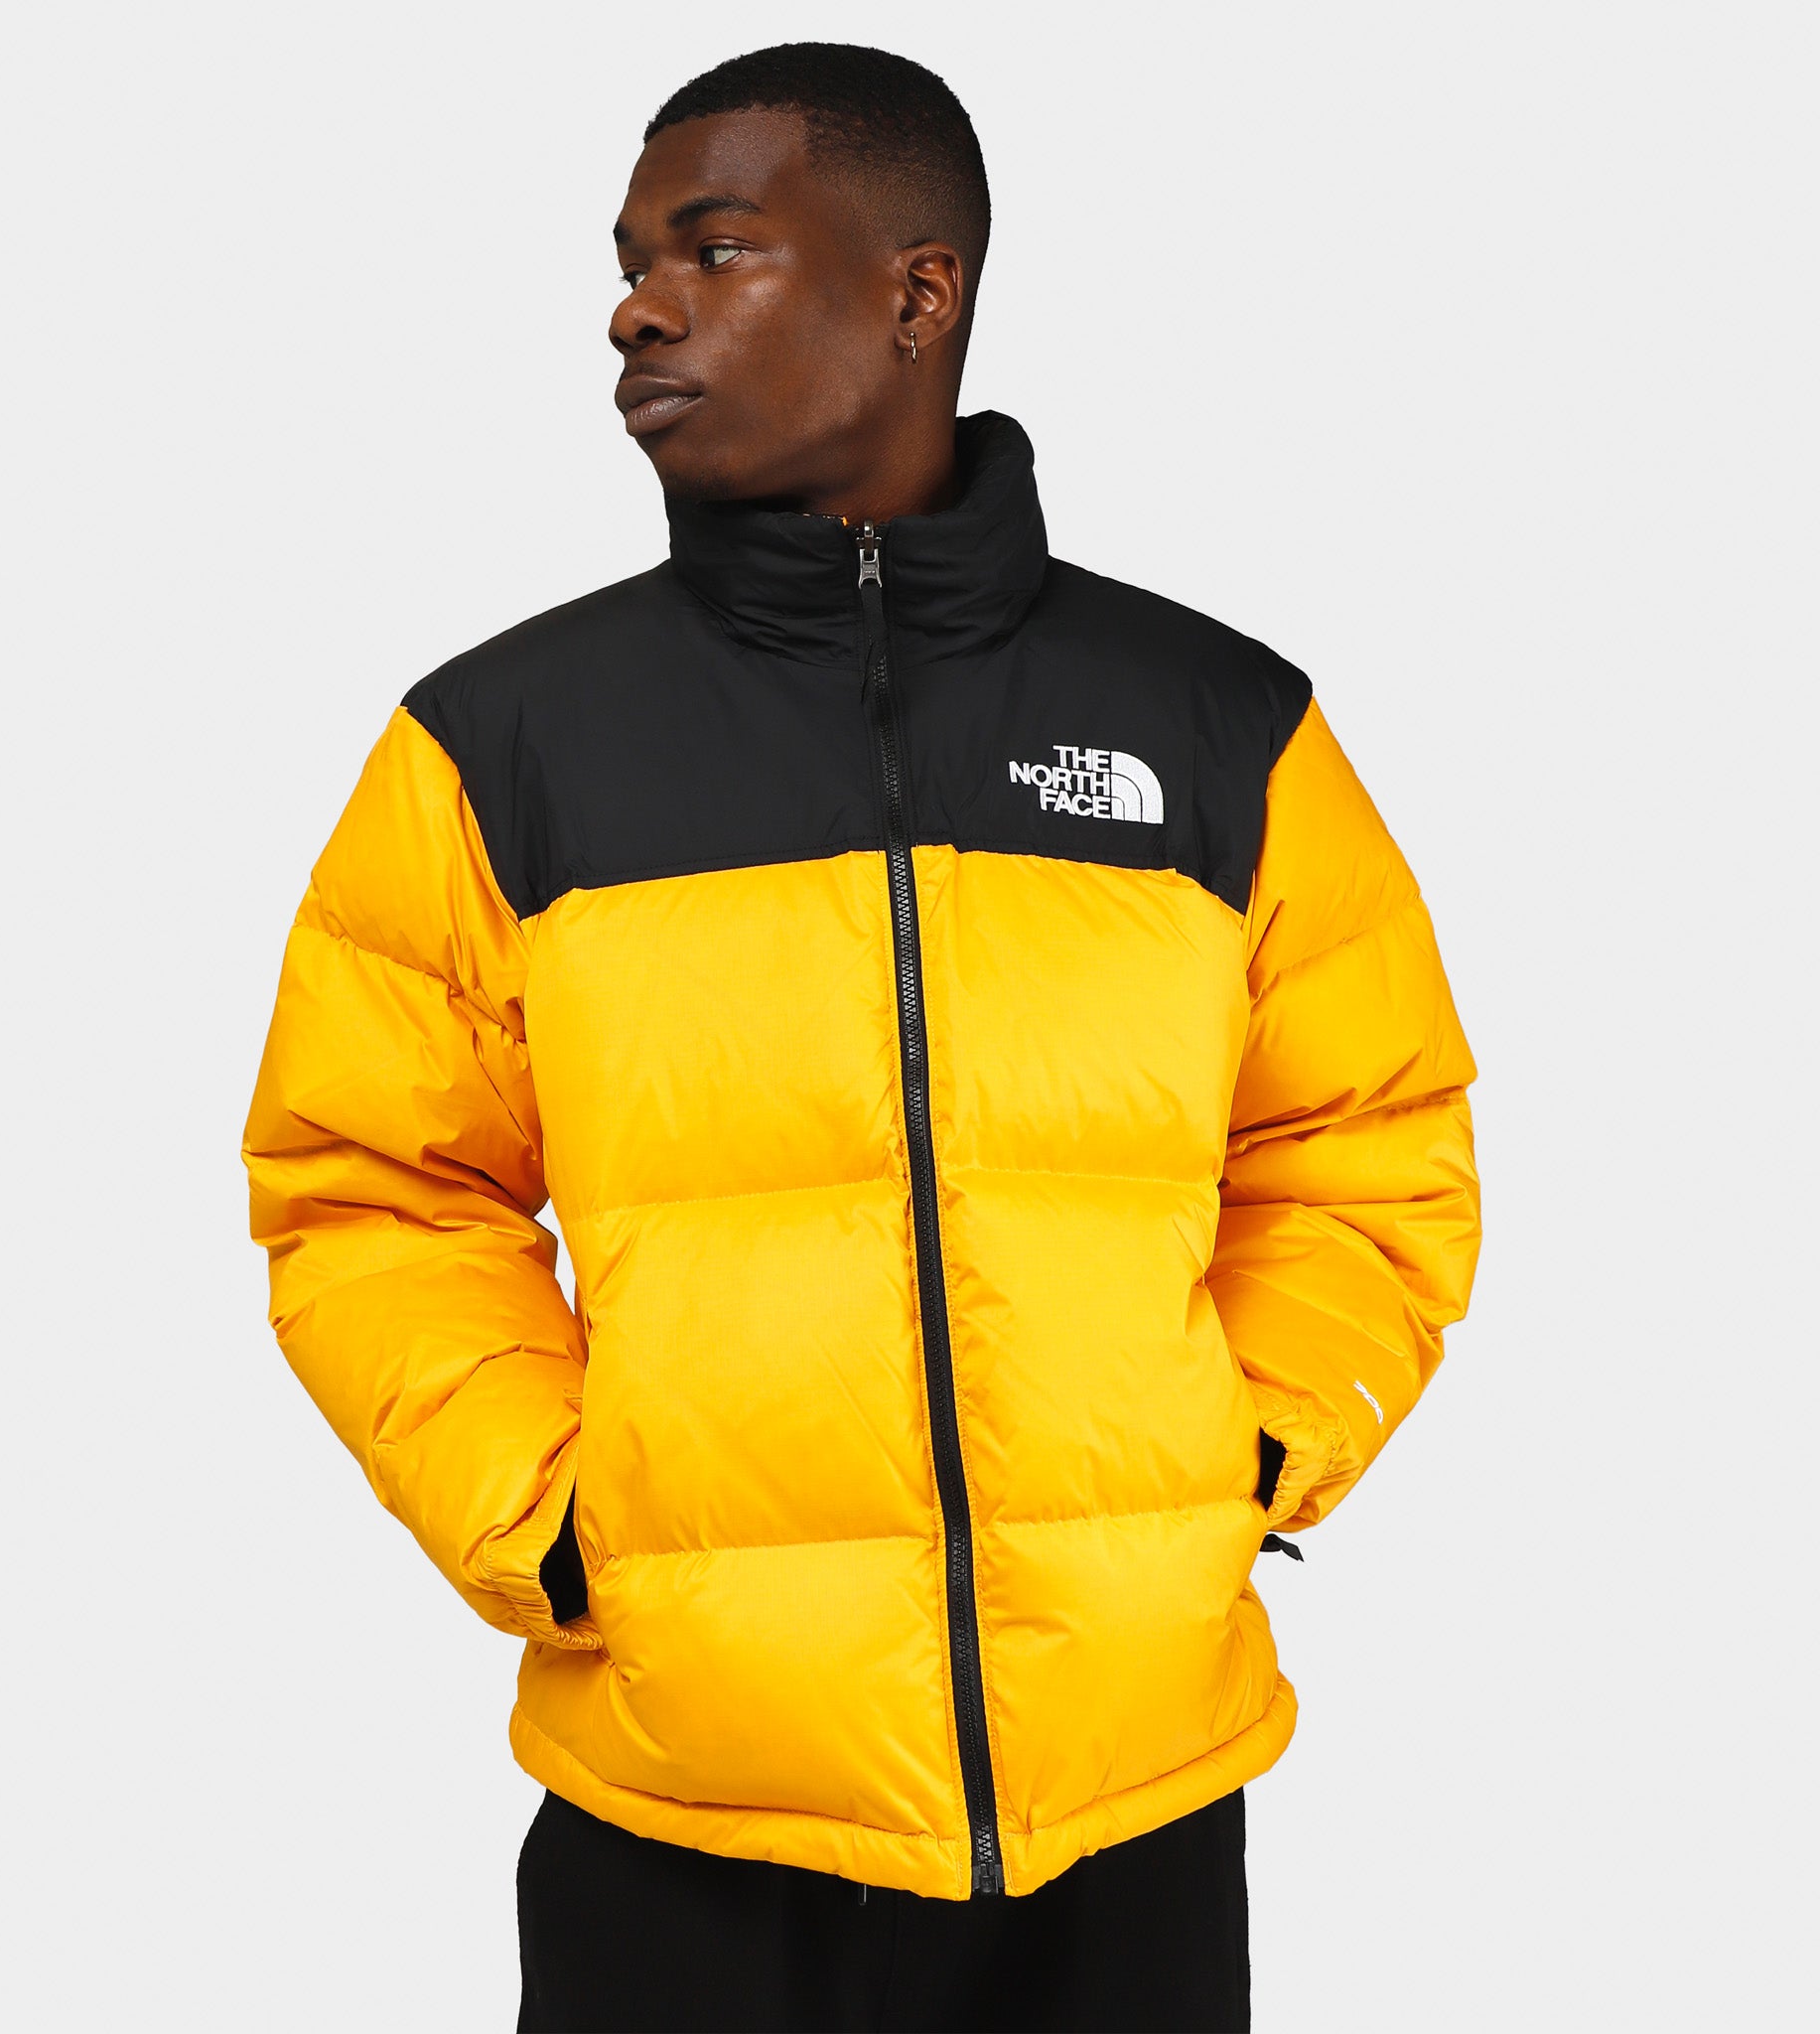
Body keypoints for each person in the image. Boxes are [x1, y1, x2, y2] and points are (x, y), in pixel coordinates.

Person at [242, 42, 1480, 2034]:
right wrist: (555, 1520)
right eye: (631, 264)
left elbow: (1368, 1145)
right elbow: (371, 1186)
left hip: (1128, 1824)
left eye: (712, 250)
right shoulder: (502, 746)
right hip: (688, 1826)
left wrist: (1235, 1455)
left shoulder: (1215, 727)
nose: (637, 309)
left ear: (920, 292)